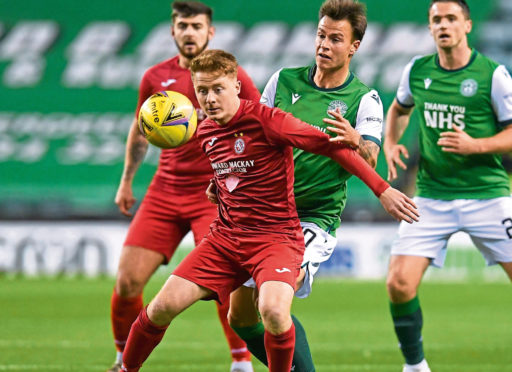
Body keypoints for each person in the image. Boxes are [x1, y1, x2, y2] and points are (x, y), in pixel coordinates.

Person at [119, 49, 419, 372]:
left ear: (236, 86)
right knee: (161, 307)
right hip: (225, 239)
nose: (209, 99)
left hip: (275, 238)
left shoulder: (268, 120)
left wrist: (383, 190)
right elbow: (235, 169)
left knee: (274, 312)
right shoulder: (204, 130)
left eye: (217, 88)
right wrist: (218, 186)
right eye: (202, 90)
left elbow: (331, 147)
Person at [383, 1, 512, 372]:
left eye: (451, 19)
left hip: (487, 196)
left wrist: (476, 145)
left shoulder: (493, 75)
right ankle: (414, 367)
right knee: (398, 282)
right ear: (429, 28)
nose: (443, 25)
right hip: (431, 196)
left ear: (467, 25)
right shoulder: (416, 71)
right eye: (436, 20)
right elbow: (398, 109)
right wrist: (390, 142)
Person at [224, 1, 383, 370]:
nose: (324, 44)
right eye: (321, 35)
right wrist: (228, 176)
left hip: (313, 218)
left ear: (354, 47)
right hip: (265, 211)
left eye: (336, 39)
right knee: (240, 319)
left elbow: (371, 158)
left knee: (274, 303)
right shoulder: (283, 81)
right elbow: (253, 137)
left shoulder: (364, 99)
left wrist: (354, 140)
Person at [108, 2, 260, 372]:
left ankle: (241, 364)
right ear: (172, 31)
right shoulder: (155, 77)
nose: (189, 32)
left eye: (196, 25)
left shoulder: (232, 75)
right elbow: (141, 129)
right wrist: (127, 180)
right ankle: (122, 359)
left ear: (211, 32)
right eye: (183, 25)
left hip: (214, 193)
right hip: (164, 190)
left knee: (226, 281)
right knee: (127, 282)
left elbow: (259, 124)